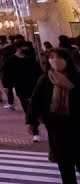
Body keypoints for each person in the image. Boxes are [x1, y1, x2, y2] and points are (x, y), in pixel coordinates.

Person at [28, 47, 80, 184]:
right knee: (65, 166)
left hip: (77, 125)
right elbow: (35, 101)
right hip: (57, 128)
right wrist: (31, 121)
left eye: (59, 58)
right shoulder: (45, 79)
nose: (55, 61)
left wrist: (73, 89)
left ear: (67, 60)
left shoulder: (77, 78)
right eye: (51, 58)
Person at [5, 43, 44, 121]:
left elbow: (38, 72)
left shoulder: (30, 58)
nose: (26, 48)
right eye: (24, 47)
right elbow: (8, 74)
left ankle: (36, 118)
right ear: (18, 48)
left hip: (33, 84)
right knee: (25, 104)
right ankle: (32, 124)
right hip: (20, 85)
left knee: (35, 102)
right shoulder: (10, 60)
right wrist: (7, 86)